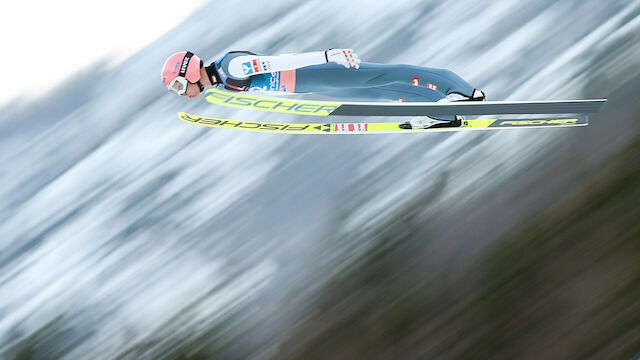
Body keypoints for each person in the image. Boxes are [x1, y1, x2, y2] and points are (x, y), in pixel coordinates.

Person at [161, 49, 485, 129]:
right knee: (377, 93)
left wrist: (326, 56)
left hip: (315, 74)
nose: (181, 92)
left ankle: (462, 91)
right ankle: (440, 111)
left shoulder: (231, 67)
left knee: (388, 75)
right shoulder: (221, 82)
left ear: (188, 72)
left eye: (178, 85)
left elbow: (279, 62)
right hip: (307, 87)